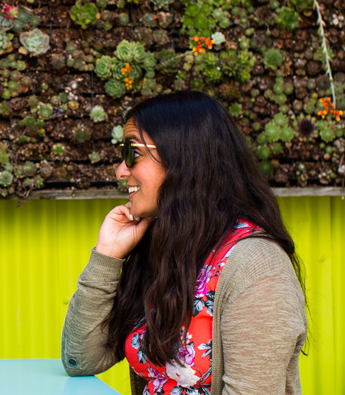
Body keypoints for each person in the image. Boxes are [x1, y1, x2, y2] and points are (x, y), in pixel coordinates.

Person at [61, 91, 306, 394]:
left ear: (182, 158)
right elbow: (81, 359)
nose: (121, 170)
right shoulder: (167, 247)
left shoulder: (257, 269)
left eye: (132, 153)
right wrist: (107, 256)